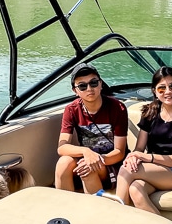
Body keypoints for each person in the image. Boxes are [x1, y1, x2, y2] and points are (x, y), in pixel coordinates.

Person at [115, 66, 172, 214]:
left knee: (125, 169)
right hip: (151, 169)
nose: (168, 92)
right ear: (154, 91)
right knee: (136, 190)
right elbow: (139, 148)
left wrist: (145, 157)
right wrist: (134, 157)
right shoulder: (150, 112)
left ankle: (117, 217)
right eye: (161, 89)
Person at [55, 63, 128, 194]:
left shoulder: (117, 108)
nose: (89, 89)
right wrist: (86, 152)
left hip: (111, 162)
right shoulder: (71, 110)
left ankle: (96, 212)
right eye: (82, 86)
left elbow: (119, 152)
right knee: (63, 163)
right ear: (75, 91)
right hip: (87, 159)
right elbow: (62, 147)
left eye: (93, 83)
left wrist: (96, 160)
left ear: (100, 84)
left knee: (88, 168)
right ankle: (64, 209)